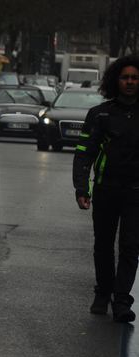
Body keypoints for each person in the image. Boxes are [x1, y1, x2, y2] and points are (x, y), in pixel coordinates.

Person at [73, 55, 139, 323]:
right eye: (125, 77)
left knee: (131, 247)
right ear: (116, 81)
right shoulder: (99, 114)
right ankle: (103, 293)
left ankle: (121, 300)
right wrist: (81, 188)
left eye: (135, 77)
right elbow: (84, 153)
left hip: (136, 192)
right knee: (103, 245)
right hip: (105, 190)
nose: (130, 82)